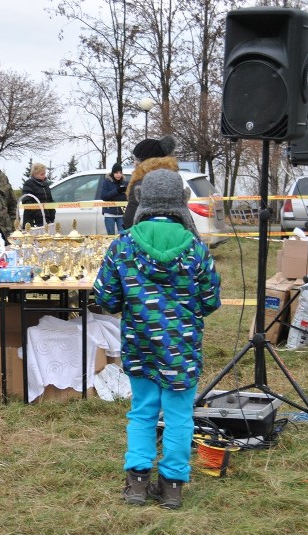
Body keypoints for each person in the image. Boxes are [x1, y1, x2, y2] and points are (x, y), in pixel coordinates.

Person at [94, 168, 221, 509]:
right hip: (182, 349)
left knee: (143, 412)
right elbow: (210, 300)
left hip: (140, 345)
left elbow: (105, 299)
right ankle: (173, 486)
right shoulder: (195, 249)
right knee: (179, 416)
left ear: (141, 201)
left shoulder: (122, 246)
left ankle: (136, 483)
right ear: (181, 202)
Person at [123, 135, 179, 229]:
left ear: (143, 161)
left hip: (146, 237)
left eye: (136, 159)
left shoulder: (141, 183)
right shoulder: (174, 180)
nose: (134, 163)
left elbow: (131, 216)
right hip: (174, 235)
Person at [21, 162, 55, 229]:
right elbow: (26, 201)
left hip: (46, 219)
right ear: (34, 174)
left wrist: (52, 213)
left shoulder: (46, 185)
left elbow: (50, 200)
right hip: (32, 221)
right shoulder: (28, 184)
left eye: (44, 174)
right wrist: (38, 213)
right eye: (42, 174)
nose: (44, 176)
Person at [97, 162, 128, 235]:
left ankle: (121, 247)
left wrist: (123, 194)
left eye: (120, 172)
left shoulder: (125, 183)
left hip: (122, 214)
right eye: (116, 173)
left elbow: (128, 197)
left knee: (123, 235)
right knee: (110, 236)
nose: (119, 175)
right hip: (109, 213)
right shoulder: (106, 182)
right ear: (113, 173)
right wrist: (117, 191)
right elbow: (104, 196)